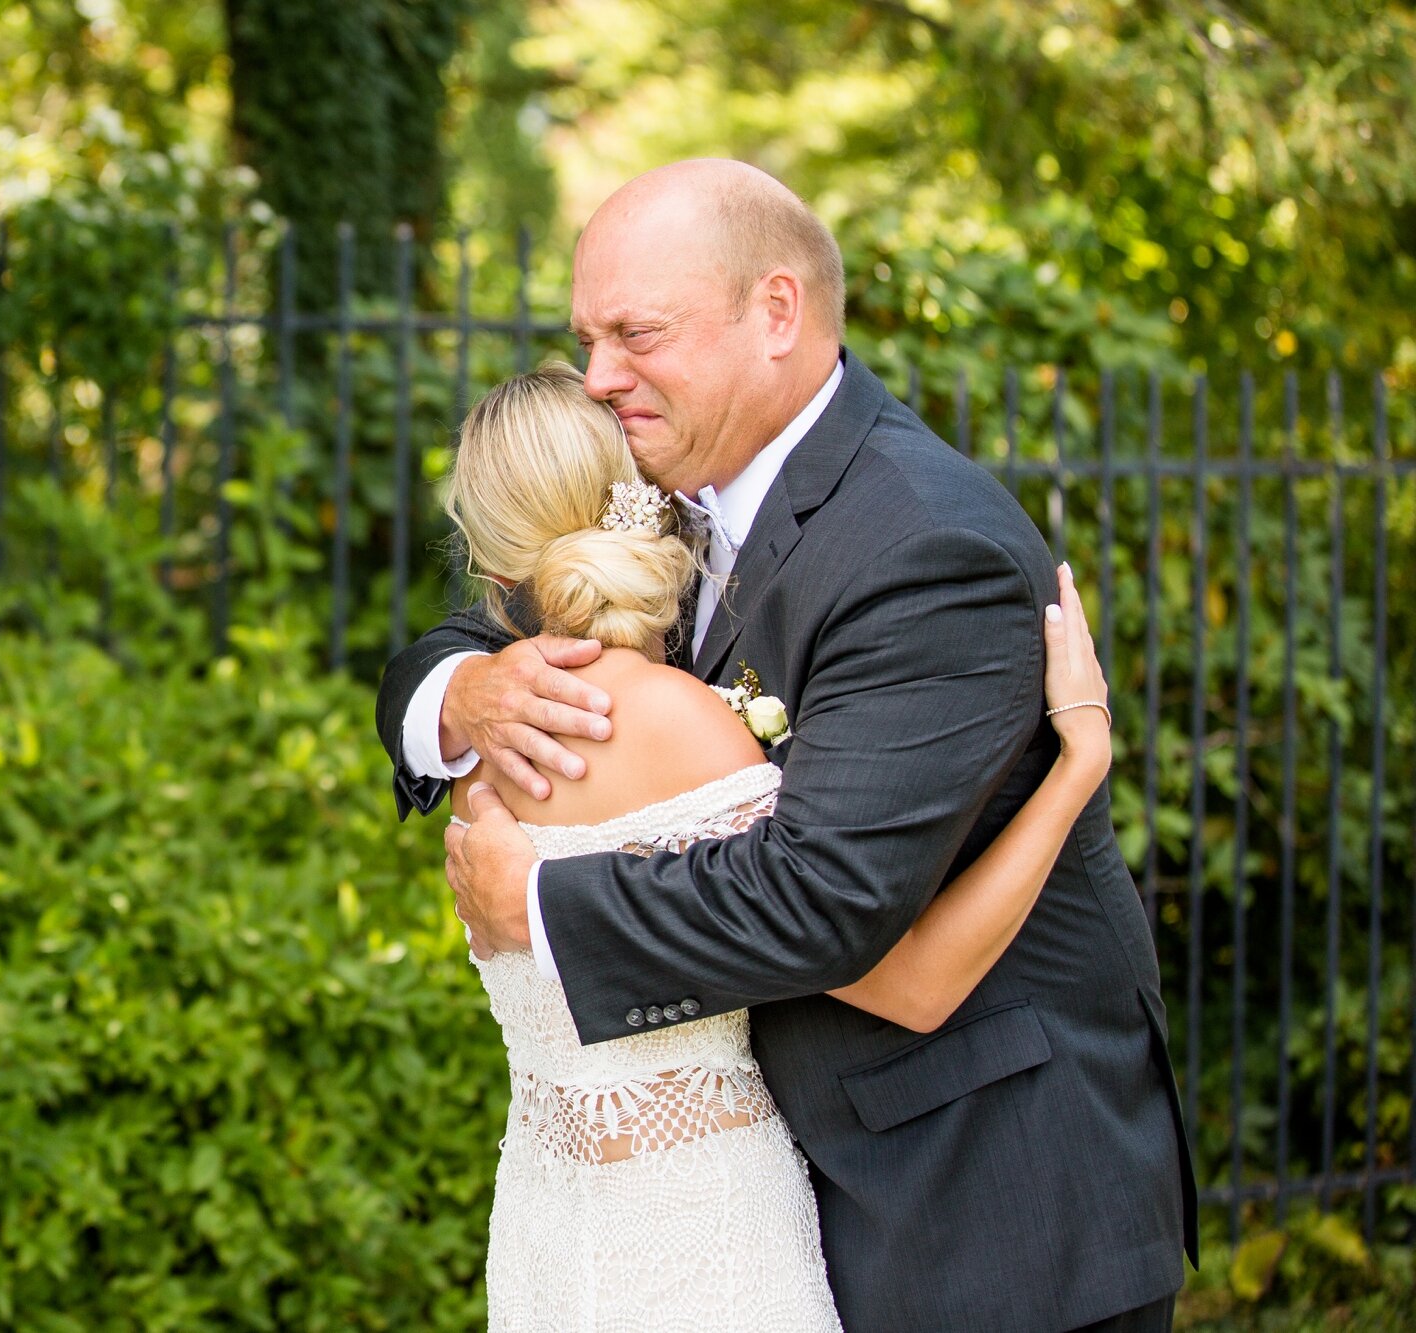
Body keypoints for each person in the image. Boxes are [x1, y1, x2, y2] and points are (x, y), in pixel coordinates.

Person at [375, 160, 1194, 1333]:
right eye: (586, 338)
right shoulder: (653, 497)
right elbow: (466, 631)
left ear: (775, 314)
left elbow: (826, 900)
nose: (599, 377)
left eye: (634, 334)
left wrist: (542, 903)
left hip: (976, 1214)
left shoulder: (922, 547)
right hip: (740, 1212)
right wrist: (466, 696)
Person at [437, 362, 1115, 1329]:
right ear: (647, 502)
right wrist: (1077, 766)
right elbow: (909, 983)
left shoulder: (479, 749)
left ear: (490, 562)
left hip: (547, 1227)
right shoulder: (678, 724)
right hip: (704, 1233)